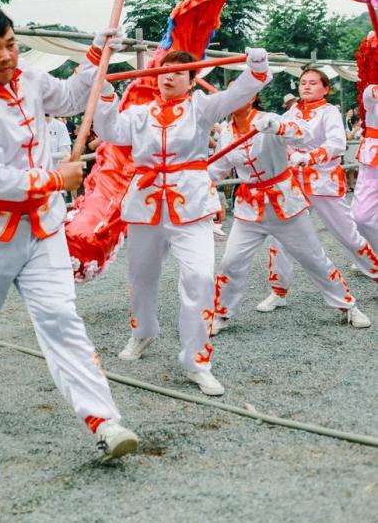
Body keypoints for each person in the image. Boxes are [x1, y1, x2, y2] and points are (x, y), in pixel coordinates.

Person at [0, 7, 138, 463]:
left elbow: (68, 98)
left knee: (61, 319)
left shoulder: (29, 78)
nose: (7, 55)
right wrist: (54, 179)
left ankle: (104, 422)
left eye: (11, 43)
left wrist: (95, 55)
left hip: (44, 228)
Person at [94, 48, 272, 397]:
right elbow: (109, 129)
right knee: (141, 276)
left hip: (191, 205)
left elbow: (241, 92)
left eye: (179, 72)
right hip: (145, 205)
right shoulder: (139, 113)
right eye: (164, 71)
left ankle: (196, 361)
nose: (169, 76)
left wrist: (256, 66)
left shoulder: (201, 107)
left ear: (192, 80)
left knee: (200, 276)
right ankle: (143, 332)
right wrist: (104, 94)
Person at [209, 99, 370, 333]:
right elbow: (217, 168)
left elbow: (304, 134)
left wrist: (280, 127)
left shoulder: (271, 119)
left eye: (241, 92)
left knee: (314, 258)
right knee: (230, 261)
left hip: (286, 204)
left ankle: (347, 305)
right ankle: (220, 314)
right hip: (249, 209)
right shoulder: (225, 133)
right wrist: (197, 179)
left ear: (252, 96)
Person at [258, 68, 378, 312]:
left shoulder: (329, 111)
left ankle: (375, 272)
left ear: (325, 88)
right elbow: (281, 137)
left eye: (313, 83)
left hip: (324, 183)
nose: (307, 87)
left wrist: (310, 157)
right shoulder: (292, 112)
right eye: (303, 83)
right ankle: (278, 290)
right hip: (293, 183)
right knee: (280, 236)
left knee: (348, 234)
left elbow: (337, 144)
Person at [352, 84, 378, 254]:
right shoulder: (373, 92)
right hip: (373, 160)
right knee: (361, 216)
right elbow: (369, 95)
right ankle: (371, 253)